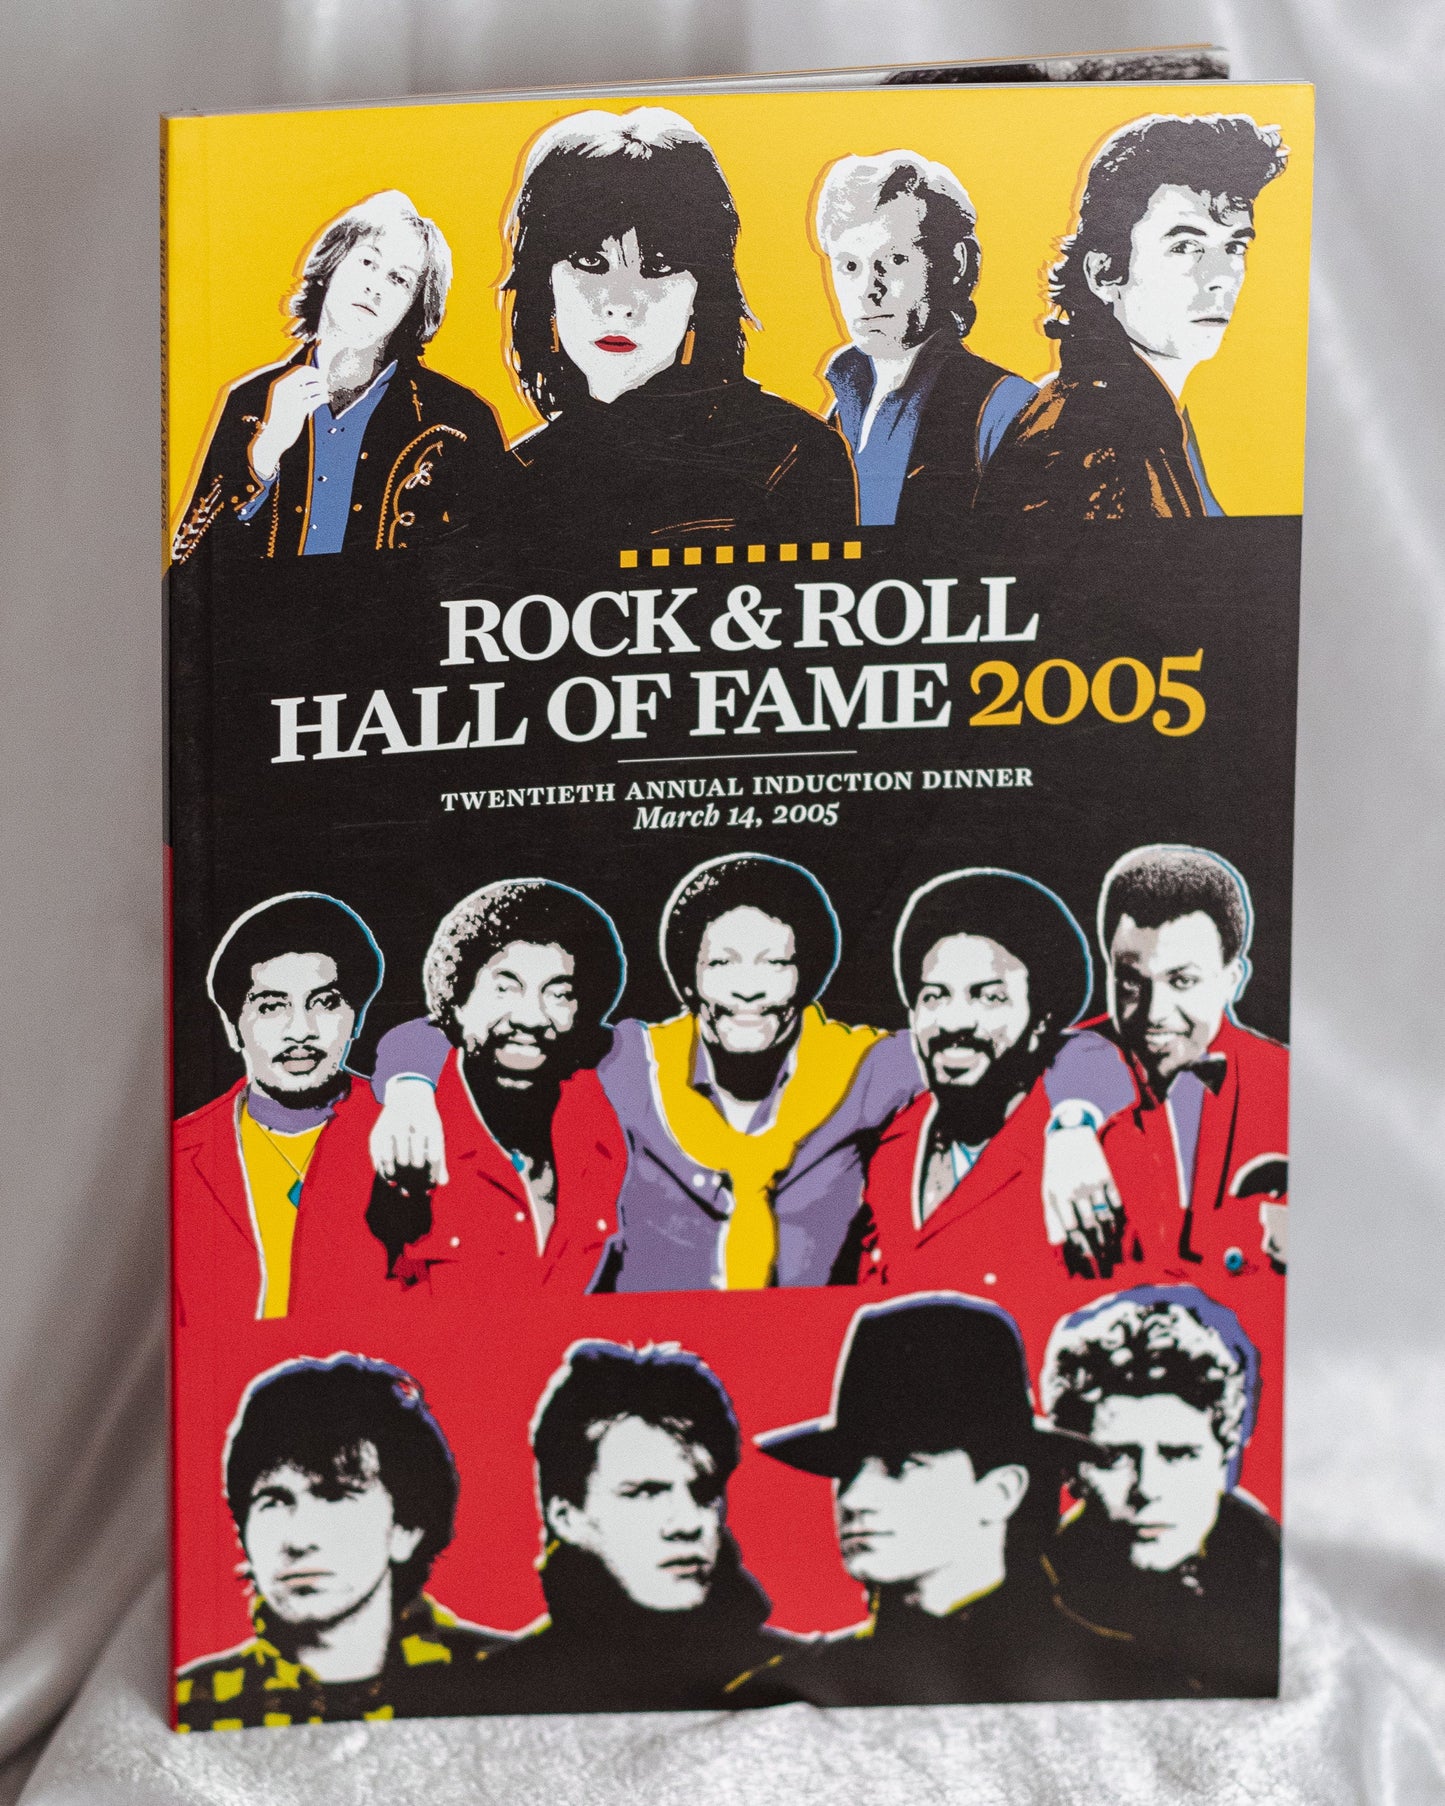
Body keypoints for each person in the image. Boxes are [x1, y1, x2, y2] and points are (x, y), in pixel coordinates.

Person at [370, 853, 922, 1292]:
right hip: (652, 1364)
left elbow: (957, 1047)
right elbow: (454, 1030)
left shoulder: (871, 1067)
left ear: (808, 976)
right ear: (689, 978)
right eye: (721, 963)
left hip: (802, 1352)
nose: (748, 989)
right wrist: (410, 1090)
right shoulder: (633, 1060)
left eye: (775, 964)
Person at [1038, 844, 1288, 1513]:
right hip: (1099, 1459)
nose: (1151, 1010)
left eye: (1182, 981)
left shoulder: (1296, 1090)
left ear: (1234, 977)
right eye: (1130, 980)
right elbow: (1072, 1053)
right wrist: (1069, 1126)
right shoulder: (1061, 1072)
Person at [740, 1293, 1130, 1705]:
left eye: (902, 1465)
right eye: (847, 1469)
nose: (853, 1497)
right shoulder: (793, 1696)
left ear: (1000, 1493)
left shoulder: (1121, 1683)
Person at [501, 108, 857, 547]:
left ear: (701, 292)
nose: (620, 304)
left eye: (658, 267)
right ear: (545, 282)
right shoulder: (515, 478)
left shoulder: (791, 453)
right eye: (590, 262)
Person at [307, 878, 629, 1306]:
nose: (531, 1017)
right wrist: (409, 1088)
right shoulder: (372, 1135)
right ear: (456, 1000)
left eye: (559, 994)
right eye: (505, 987)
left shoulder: (607, 1114)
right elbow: (326, 1321)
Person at [975, 114, 1288, 520]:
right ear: (1104, 273)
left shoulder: (1137, 413)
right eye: (1185, 246)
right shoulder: (1095, 438)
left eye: (1234, 247)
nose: (1221, 278)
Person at [171, 190, 509, 563]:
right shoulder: (250, 402)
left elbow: (498, 562)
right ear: (331, 265)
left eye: (399, 279)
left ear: (415, 306)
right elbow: (189, 565)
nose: (374, 286)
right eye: (367, 261)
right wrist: (263, 457)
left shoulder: (459, 422)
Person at [176, 1355, 504, 1730]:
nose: (297, 1540)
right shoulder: (197, 1702)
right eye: (273, 1501)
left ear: (405, 1530)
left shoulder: (501, 1680)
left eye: (335, 1496)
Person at [461, 1340, 789, 1713]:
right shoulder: (491, 1697)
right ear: (567, 1517)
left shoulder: (795, 1682)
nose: (687, 1523)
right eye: (645, 1493)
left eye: (704, 1492)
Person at [849, 868, 1094, 1290]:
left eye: (989, 997)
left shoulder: (1083, 1145)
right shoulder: (890, 1145)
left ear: (1041, 1021)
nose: (954, 1021)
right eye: (934, 996)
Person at [1041, 1286, 1280, 1697]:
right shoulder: (1030, 1607)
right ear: (1072, 1469)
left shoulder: (1282, 1579)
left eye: (1179, 1454)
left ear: (1224, 1459)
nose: (1147, 1489)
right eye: (1114, 1458)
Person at [172, 892, 383, 1324]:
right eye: (271, 1006)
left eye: (325, 1003)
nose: (300, 1031)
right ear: (233, 1027)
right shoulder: (176, 1157)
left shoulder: (412, 1130)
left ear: (357, 1018)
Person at [815, 151, 1035, 528]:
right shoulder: (839, 409)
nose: (868, 290)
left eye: (895, 260)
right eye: (849, 266)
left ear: (956, 263)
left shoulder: (1008, 408)